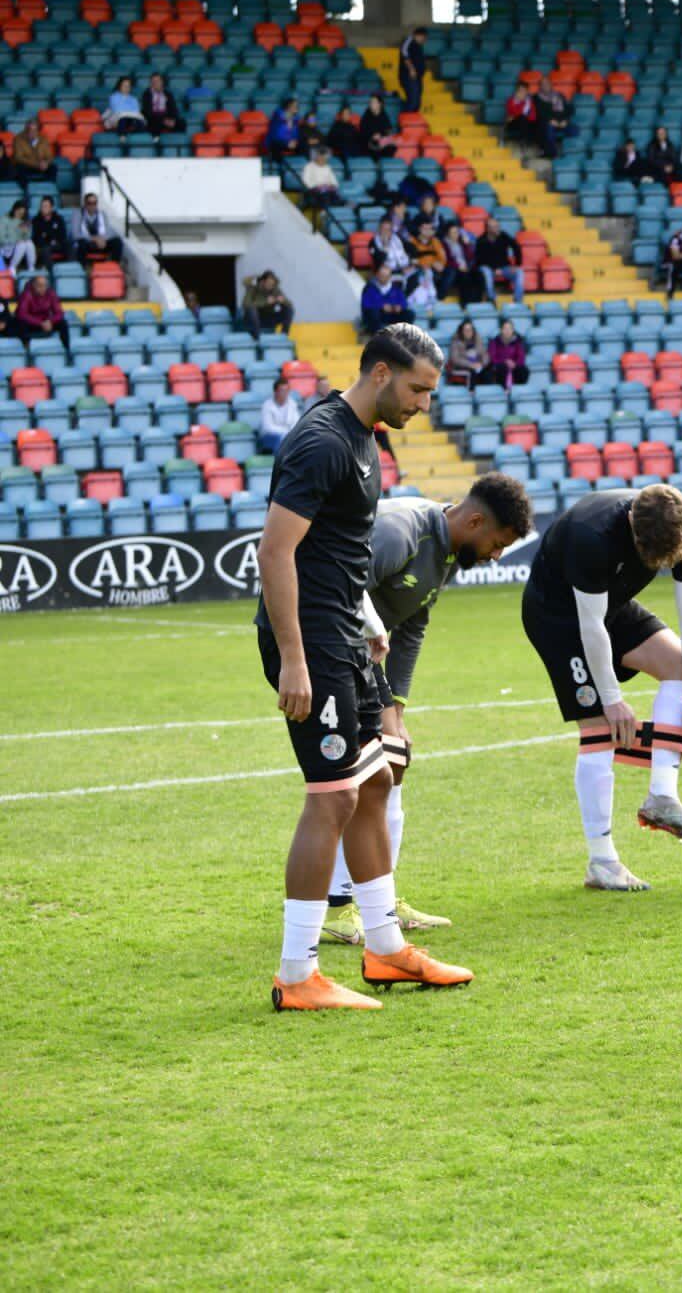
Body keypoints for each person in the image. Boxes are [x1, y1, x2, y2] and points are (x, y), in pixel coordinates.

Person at [256, 324, 469, 1011]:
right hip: (312, 645)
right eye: (416, 388)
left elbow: (339, 551)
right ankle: (297, 975)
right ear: (380, 372)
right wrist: (294, 658)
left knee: (375, 780)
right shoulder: (322, 441)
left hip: (346, 636)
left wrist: (371, 623)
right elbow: (276, 552)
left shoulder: (365, 439)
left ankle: (384, 948)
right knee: (333, 796)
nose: (422, 405)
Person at [320, 477, 534, 945]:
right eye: (497, 543)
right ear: (474, 521)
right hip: (326, 646)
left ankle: (381, 897)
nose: (498, 554)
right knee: (350, 776)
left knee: (393, 762)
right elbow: (336, 585)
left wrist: (395, 706)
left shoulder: (450, 552)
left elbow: (412, 624)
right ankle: (337, 909)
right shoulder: (400, 532)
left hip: (362, 656)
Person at [520, 485, 682, 892]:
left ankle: (662, 797)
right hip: (559, 617)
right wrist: (611, 699)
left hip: (611, 604)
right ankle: (602, 861)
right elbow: (589, 627)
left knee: (681, 668)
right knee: (598, 730)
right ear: (631, 526)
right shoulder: (591, 535)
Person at [9, 275, 70, 350]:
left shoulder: (51, 293)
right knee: (21, 323)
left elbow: (59, 313)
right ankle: (26, 348)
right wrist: (40, 323)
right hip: (31, 323)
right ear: (33, 285)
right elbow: (22, 314)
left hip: (46, 323)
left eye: (45, 285)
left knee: (63, 323)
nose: (43, 288)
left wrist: (50, 321)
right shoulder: (26, 294)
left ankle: (66, 349)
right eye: (40, 285)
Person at [476, 215, 524, 304]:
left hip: (504, 267)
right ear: (487, 229)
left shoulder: (503, 236)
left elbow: (516, 247)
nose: (497, 229)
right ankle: (491, 299)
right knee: (486, 272)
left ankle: (518, 300)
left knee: (519, 272)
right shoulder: (481, 241)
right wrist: (494, 269)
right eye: (494, 227)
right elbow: (480, 260)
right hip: (487, 268)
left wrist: (517, 264)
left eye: (498, 226)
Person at [71, 193, 123, 265]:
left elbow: (110, 232)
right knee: (81, 243)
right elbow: (75, 234)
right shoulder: (78, 214)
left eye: (94, 203)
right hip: (87, 243)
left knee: (117, 241)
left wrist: (103, 239)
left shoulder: (102, 214)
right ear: (85, 204)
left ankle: (114, 266)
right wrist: (94, 239)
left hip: (101, 243)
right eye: (89, 203)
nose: (92, 206)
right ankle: (82, 268)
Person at [360, 263, 412, 332]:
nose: (384, 278)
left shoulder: (396, 288)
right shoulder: (369, 288)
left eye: (386, 276)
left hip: (392, 315)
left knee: (409, 314)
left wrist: (399, 307)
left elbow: (404, 302)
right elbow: (366, 305)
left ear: (390, 277)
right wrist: (381, 306)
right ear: (377, 275)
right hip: (378, 315)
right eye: (382, 276)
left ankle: (403, 334)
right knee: (373, 313)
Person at [258, 378, 303, 453]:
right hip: (270, 437)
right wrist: (285, 432)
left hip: (288, 435)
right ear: (275, 392)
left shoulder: (292, 403)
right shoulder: (267, 405)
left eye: (287, 391)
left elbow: (296, 423)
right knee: (280, 439)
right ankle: (280, 463)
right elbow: (268, 428)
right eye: (282, 390)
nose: (285, 393)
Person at [482, 318, 529, 389]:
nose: (507, 331)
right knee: (501, 368)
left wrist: (514, 363)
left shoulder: (518, 342)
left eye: (510, 328)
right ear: (501, 330)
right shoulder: (494, 342)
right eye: (505, 328)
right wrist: (505, 362)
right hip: (499, 367)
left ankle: (518, 389)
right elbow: (492, 357)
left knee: (523, 370)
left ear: (513, 330)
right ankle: (503, 389)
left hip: (514, 366)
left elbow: (521, 357)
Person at [535, 78, 573, 159]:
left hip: (562, 121)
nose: (546, 86)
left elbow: (568, 109)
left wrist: (565, 120)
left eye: (547, 83)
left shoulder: (559, 95)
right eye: (543, 84)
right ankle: (552, 153)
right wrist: (550, 120)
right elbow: (539, 112)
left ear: (551, 85)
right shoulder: (536, 97)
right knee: (549, 129)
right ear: (540, 86)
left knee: (575, 130)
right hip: (547, 123)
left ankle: (570, 153)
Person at [299, 146, 341, 218]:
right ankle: (325, 212)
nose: (323, 159)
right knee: (325, 194)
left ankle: (335, 213)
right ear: (317, 157)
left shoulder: (328, 167)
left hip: (327, 189)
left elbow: (334, 181)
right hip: (313, 190)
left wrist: (331, 185)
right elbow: (305, 181)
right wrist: (318, 186)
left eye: (324, 158)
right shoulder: (309, 166)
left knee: (335, 195)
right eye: (321, 157)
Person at [445, 318, 487, 386]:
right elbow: (455, 359)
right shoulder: (456, 341)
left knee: (487, 372)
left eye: (470, 330)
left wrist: (482, 363)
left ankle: (486, 393)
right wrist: (471, 365)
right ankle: (471, 393)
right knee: (472, 372)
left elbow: (485, 355)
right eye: (466, 330)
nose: (468, 332)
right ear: (461, 331)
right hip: (463, 368)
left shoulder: (478, 340)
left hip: (478, 366)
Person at [31, 196, 70, 265]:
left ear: (51, 208)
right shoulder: (36, 220)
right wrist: (50, 237)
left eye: (46, 206)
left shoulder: (58, 218)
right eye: (42, 206)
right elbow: (37, 237)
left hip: (58, 244)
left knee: (69, 245)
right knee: (45, 249)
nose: (43, 208)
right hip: (44, 245)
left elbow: (62, 234)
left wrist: (47, 235)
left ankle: (69, 268)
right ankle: (50, 271)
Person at [357, 95, 397, 159]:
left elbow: (388, 130)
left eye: (374, 102)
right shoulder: (366, 115)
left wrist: (381, 135)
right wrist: (372, 135)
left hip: (381, 140)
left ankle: (384, 165)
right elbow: (362, 131)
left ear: (379, 104)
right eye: (370, 102)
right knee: (373, 146)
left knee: (392, 146)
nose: (371, 104)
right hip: (369, 140)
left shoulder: (384, 115)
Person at [399, 26, 428, 113]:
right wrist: (411, 69)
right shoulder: (409, 41)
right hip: (409, 77)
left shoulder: (419, 45)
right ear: (419, 35)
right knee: (412, 101)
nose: (424, 40)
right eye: (424, 37)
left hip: (417, 78)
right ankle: (406, 122)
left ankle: (413, 123)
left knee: (417, 103)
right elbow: (404, 54)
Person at [2, 200, 35, 276]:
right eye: (18, 210)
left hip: (20, 247)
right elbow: (1, 237)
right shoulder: (5, 219)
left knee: (29, 243)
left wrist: (25, 231)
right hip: (6, 247)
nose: (20, 213)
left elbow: (28, 237)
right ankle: (12, 267)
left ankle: (31, 268)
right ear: (14, 209)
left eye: (22, 211)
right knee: (22, 244)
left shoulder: (25, 221)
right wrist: (15, 240)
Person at [503, 83, 539, 149]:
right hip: (514, 123)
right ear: (516, 91)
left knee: (532, 120)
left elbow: (533, 116)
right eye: (520, 90)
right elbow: (513, 113)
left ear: (527, 92)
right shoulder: (511, 101)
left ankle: (531, 142)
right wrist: (520, 103)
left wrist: (522, 110)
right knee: (522, 117)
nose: (522, 93)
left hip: (527, 123)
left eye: (524, 91)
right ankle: (524, 141)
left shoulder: (529, 101)